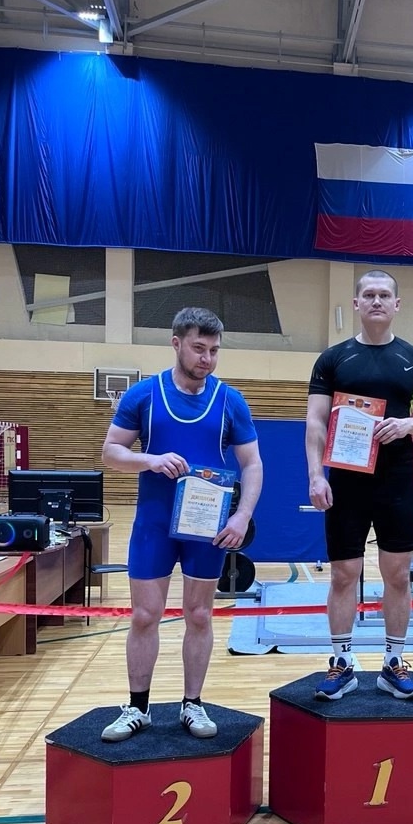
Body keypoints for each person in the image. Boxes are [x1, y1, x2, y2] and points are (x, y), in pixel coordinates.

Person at [99, 307, 263, 742]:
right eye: (198, 348)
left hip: (205, 527)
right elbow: (111, 452)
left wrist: (242, 516)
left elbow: (252, 463)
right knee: (144, 615)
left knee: (200, 615)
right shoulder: (144, 395)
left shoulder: (230, 400)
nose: (207, 358)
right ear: (176, 343)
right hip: (153, 524)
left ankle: (193, 703)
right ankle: (137, 708)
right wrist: (149, 460)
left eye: (214, 350)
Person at [305, 270, 413, 702]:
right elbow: (315, 422)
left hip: (396, 483)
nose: (377, 301)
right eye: (369, 295)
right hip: (346, 483)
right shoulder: (333, 359)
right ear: (356, 303)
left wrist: (407, 425)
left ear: (397, 304)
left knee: (397, 575)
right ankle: (342, 662)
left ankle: (393, 662)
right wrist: (315, 475)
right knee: (343, 574)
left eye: (385, 295)